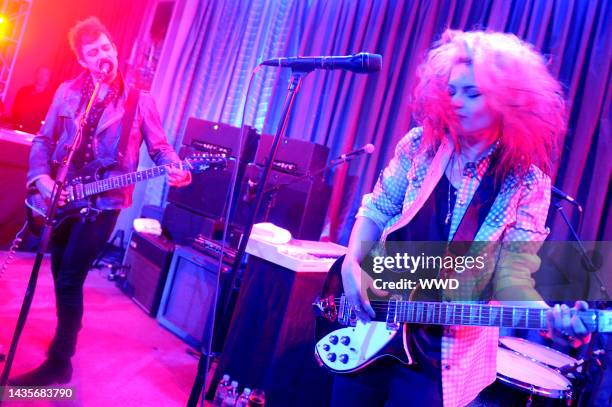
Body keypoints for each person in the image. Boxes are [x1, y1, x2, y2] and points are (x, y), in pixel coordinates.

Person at [332, 30, 591, 407]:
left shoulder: (527, 183)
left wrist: (552, 318)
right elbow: (376, 208)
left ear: (507, 100)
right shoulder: (420, 145)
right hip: (371, 328)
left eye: (473, 93)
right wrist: (351, 264)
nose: (456, 102)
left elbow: (512, 278)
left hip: (440, 359)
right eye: (452, 91)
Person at [9, 16, 191, 386]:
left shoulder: (140, 100)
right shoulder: (67, 92)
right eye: (93, 52)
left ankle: (61, 361)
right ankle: (65, 340)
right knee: (61, 275)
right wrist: (41, 178)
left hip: (102, 205)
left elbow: (160, 148)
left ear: (114, 48)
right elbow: (44, 140)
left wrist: (176, 168)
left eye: (106, 47)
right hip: (62, 197)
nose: (103, 56)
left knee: (72, 276)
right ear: (83, 60)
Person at [7, 66, 54, 134]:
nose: (42, 76)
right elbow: (15, 110)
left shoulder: (51, 97)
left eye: (45, 74)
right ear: (36, 74)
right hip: (18, 129)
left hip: (37, 133)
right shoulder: (23, 91)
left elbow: (50, 118)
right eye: (40, 73)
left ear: (50, 77)